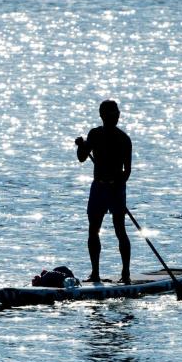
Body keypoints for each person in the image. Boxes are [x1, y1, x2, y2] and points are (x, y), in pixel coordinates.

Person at [75, 100, 132, 284]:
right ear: (102, 116)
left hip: (116, 188)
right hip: (98, 187)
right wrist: (82, 146)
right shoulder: (95, 134)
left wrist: (117, 183)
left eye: (116, 114)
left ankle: (125, 274)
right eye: (110, 114)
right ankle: (95, 273)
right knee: (93, 229)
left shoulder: (124, 139)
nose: (114, 117)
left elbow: (127, 171)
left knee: (119, 230)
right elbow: (82, 158)